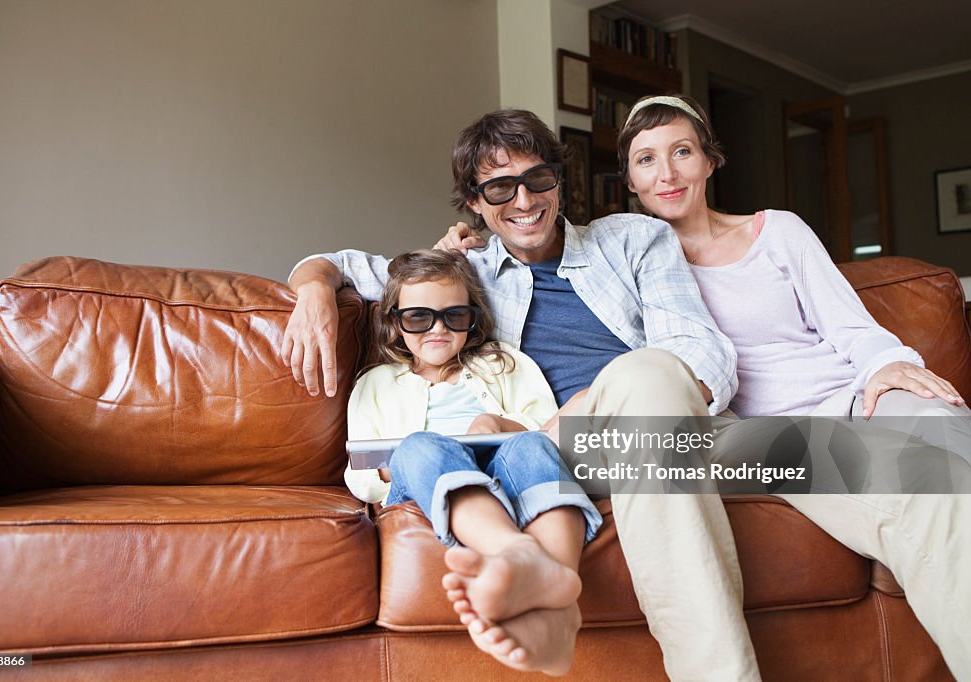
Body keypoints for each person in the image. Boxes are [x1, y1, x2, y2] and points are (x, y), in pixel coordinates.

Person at [285, 110, 762, 680]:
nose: (524, 201)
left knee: (872, 462)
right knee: (649, 403)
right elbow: (346, 267)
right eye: (499, 188)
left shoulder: (635, 238)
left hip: (683, 418)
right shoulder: (467, 275)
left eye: (538, 180)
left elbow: (698, 347)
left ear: (560, 182)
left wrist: (600, 397)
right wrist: (313, 285)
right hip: (583, 449)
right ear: (475, 204)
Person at [612, 93, 970, 678]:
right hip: (771, 431)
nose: (668, 173)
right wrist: (452, 251)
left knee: (944, 422)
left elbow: (849, 326)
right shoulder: (627, 263)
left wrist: (886, 366)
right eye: (647, 159)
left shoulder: (776, 231)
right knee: (938, 484)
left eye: (682, 151)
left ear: (709, 160)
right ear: (629, 177)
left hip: (856, 395)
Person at [344, 248, 603, 675]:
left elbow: (547, 438)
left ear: (472, 316)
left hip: (507, 468)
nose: (438, 329)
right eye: (418, 318)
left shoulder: (506, 364)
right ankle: (515, 551)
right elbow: (364, 474)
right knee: (419, 445)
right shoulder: (376, 384)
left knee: (530, 448)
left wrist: (497, 423)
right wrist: (423, 454)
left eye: (454, 316)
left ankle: (556, 608)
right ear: (395, 322)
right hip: (431, 475)